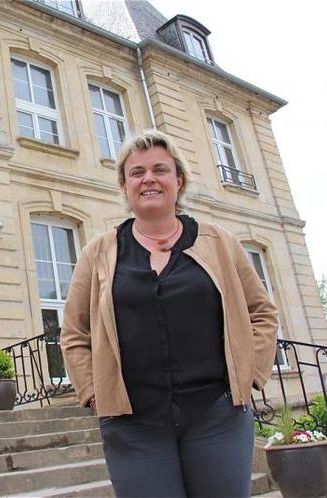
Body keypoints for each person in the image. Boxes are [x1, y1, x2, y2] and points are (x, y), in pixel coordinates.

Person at [60, 129, 278, 497]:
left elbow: (262, 313)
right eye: (137, 172)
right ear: (125, 185)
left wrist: (249, 374)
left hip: (216, 415)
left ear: (178, 180)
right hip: (133, 423)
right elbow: (74, 333)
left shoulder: (218, 242)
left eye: (160, 170)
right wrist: (95, 393)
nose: (148, 179)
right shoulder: (98, 252)